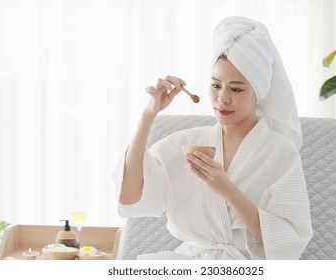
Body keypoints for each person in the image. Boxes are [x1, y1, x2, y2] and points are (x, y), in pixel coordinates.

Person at [113, 16, 313, 260]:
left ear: (258, 92)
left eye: (236, 89)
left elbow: (289, 241)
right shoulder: (185, 143)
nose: (222, 98)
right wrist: (149, 114)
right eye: (216, 86)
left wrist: (228, 191)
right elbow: (130, 195)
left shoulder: (281, 152)